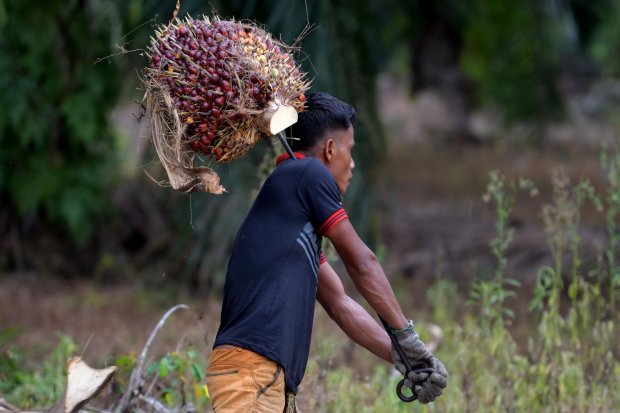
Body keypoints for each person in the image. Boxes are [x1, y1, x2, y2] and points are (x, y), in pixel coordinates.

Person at [205, 92, 448, 412]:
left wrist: (404, 358)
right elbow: (363, 263)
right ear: (331, 149)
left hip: (260, 376)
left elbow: (339, 302)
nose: (353, 163)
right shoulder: (307, 174)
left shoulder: (291, 205)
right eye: (350, 149)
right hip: (252, 372)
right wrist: (407, 337)